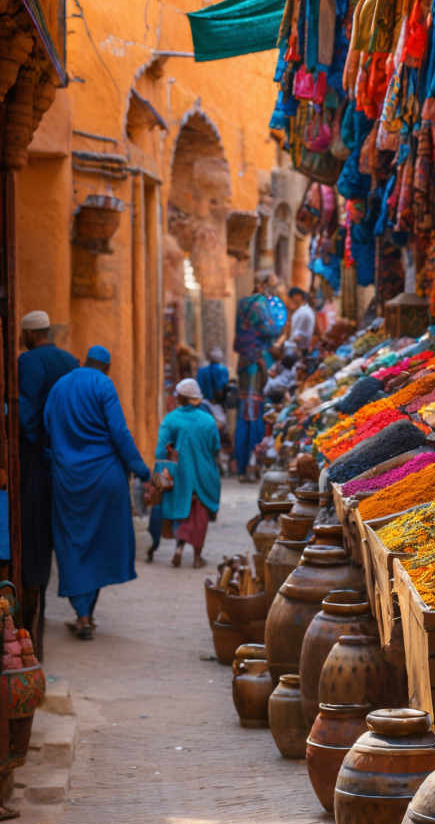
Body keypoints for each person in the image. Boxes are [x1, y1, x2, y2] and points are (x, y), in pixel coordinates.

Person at [43, 345, 150, 640]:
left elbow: (46, 430)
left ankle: (82, 613)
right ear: (107, 367)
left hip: (68, 479)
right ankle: (86, 613)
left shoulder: (60, 386)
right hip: (105, 477)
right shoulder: (103, 384)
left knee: (73, 542)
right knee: (99, 544)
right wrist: (141, 469)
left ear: (83, 361)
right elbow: (119, 431)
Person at [17, 310, 78, 657]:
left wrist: (35, 446)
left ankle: (33, 622)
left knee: (35, 539)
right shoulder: (70, 361)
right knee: (63, 534)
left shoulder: (28, 362)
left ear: (28, 335)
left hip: (37, 463)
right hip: (68, 461)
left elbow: (26, 414)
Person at [153, 378, 221, 569]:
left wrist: (161, 473)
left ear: (180, 397)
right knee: (199, 516)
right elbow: (215, 447)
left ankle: (179, 549)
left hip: (179, 474)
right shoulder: (208, 421)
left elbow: (161, 450)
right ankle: (197, 557)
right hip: (203, 474)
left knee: (182, 513)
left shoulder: (171, 419)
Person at [232, 274, 287, 476]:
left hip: (245, 362)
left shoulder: (242, 304)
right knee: (254, 411)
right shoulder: (260, 304)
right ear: (262, 285)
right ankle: (252, 464)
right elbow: (271, 328)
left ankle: (242, 463)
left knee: (245, 411)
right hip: (257, 362)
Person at [287, 287, 316, 354]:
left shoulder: (303, 312)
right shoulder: (304, 310)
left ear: (298, 296)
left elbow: (297, 336)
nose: (291, 300)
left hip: (298, 349)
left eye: (292, 297)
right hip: (299, 347)